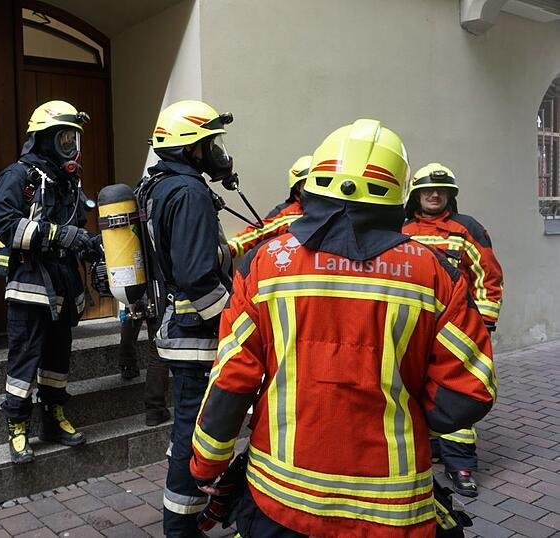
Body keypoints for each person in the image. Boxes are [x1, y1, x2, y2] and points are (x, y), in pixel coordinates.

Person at [191, 119, 496, 537]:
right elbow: (468, 393)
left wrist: (206, 462)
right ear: (398, 194)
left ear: (314, 182)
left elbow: (231, 380)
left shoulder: (265, 265)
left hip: (281, 497)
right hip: (392, 505)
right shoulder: (434, 273)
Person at [137, 100, 236, 536]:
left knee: (187, 428)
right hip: (196, 334)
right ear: (192, 148)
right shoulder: (190, 192)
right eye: (211, 142)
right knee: (195, 433)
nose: (217, 151)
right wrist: (234, 320)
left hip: (172, 326)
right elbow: (197, 275)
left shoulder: (156, 185)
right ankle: (180, 529)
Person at [0, 100, 101, 464]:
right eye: (64, 139)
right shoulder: (19, 176)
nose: (71, 148)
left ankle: (54, 418)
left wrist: (92, 252)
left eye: (74, 140)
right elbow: (4, 223)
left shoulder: (68, 181)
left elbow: (76, 229)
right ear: (44, 139)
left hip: (63, 284)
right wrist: (60, 236)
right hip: (30, 284)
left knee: (57, 357)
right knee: (25, 358)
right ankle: (17, 426)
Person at [403, 163, 504, 497]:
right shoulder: (401, 230)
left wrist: (484, 323)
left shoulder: (466, 229)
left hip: (457, 331)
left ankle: (461, 464)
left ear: (450, 195)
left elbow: (488, 277)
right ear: (416, 195)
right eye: (428, 190)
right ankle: (430, 448)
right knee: (415, 390)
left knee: (455, 392)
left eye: (441, 190)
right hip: (413, 329)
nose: (434, 195)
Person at [227, 155, 311, 259]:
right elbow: (257, 232)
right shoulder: (288, 214)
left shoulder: (333, 211)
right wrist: (227, 249)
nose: (313, 188)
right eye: (308, 183)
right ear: (298, 186)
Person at [117, 309, 171, 426]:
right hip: (156, 295)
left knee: (132, 311)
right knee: (157, 351)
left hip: (136, 292)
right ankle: (155, 409)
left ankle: (127, 364)